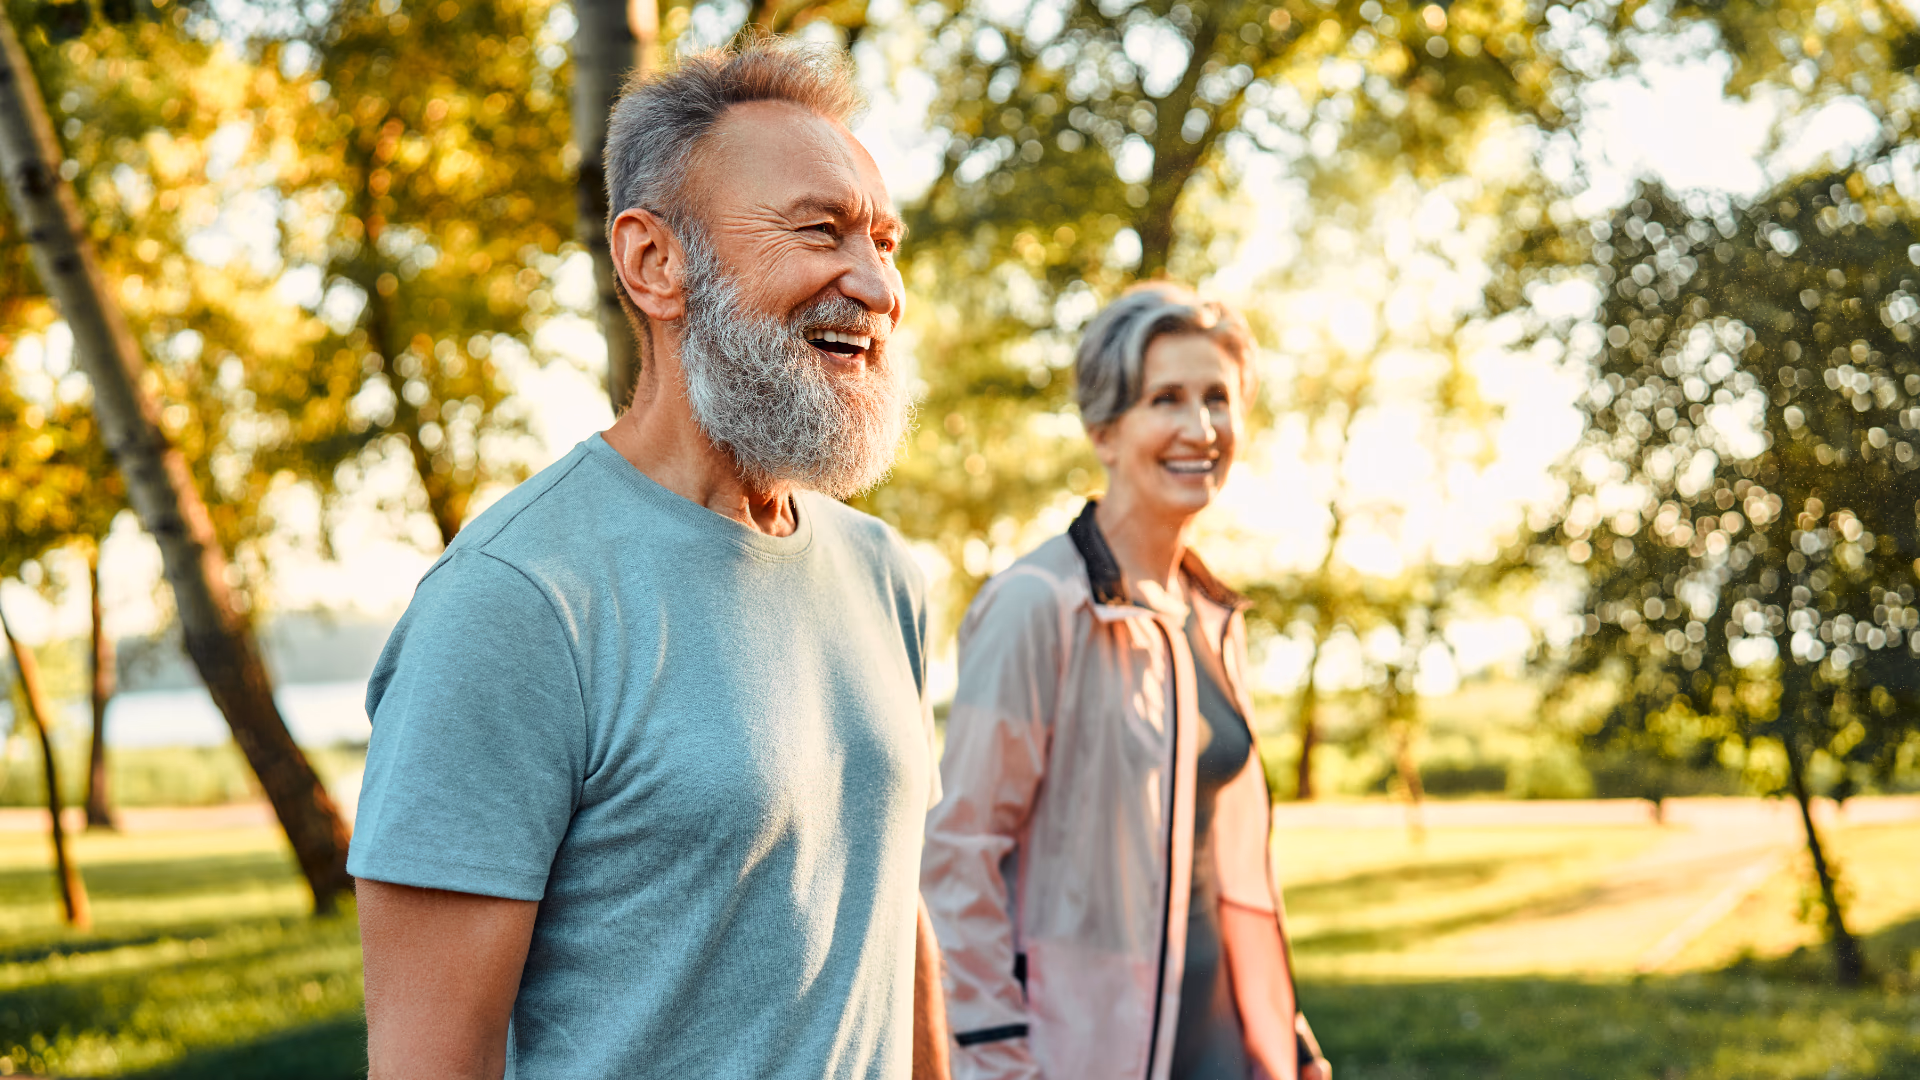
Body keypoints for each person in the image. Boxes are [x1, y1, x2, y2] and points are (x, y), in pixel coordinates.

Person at [349, 39, 950, 1080]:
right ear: (654, 263)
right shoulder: (513, 604)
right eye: (821, 231)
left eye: (884, 242)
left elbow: (893, 914)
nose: (874, 284)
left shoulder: (886, 573)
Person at [921, 284, 1331, 1080]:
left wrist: (1291, 1036)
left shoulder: (1212, 614)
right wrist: (998, 1060)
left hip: (1226, 1046)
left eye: (1218, 398)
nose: (1201, 428)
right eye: (1166, 399)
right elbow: (960, 856)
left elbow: (1220, 866)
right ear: (1104, 430)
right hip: (1083, 1053)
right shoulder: (1038, 606)